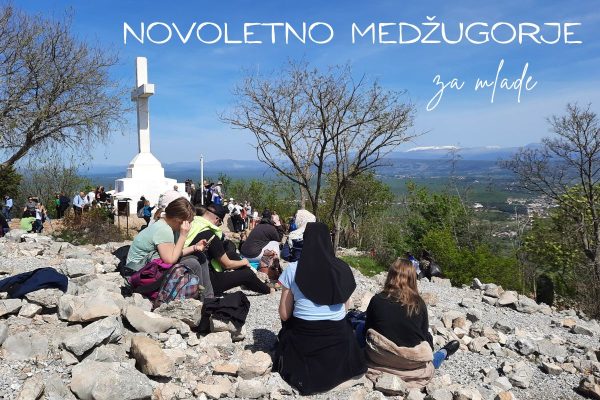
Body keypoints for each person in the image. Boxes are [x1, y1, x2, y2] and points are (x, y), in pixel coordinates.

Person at [275, 222, 366, 395]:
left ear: (306, 241)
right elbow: (345, 309)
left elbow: (284, 315)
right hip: (338, 338)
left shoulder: (293, 269)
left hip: (305, 338)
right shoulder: (342, 268)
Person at [363, 259, 459, 388]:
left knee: (360, 327)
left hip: (379, 360)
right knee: (428, 341)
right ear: (413, 279)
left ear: (390, 276)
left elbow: (367, 332)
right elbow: (423, 337)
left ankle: (443, 353)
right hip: (411, 365)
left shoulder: (377, 300)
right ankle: (444, 352)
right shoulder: (418, 304)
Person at [124, 196, 214, 298]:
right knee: (193, 263)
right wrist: (183, 235)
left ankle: (208, 297)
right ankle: (202, 299)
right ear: (178, 220)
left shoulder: (168, 226)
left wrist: (195, 247)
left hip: (150, 268)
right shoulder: (164, 230)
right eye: (188, 222)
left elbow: (174, 253)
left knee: (199, 256)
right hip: (141, 274)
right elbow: (170, 260)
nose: (189, 225)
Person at [184, 203, 272, 296]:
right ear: (217, 219)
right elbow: (227, 265)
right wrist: (244, 262)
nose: (219, 225)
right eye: (220, 223)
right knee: (247, 275)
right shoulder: (210, 235)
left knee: (231, 255)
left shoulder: (191, 224)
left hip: (190, 271)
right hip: (208, 283)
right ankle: (268, 290)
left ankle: (254, 281)